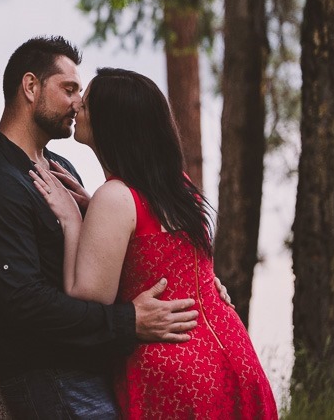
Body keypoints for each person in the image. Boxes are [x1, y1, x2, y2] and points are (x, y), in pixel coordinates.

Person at [0, 37, 203, 419]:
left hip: (96, 370)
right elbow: (24, 303)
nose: (77, 103)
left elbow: (105, 260)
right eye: (68, 89)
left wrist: (197, 277)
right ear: (31, 86)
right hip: (53, 377)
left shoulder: (61, 169)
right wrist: (127, 322)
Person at [30, 68, 278, 419]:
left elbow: (88, 299)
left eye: (84, 105)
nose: (75, 108)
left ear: (110, 122)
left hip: (177, 374)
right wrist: (95, 214)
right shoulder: (178, 186)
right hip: (233, 358)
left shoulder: (115, 198)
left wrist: (72, 221)